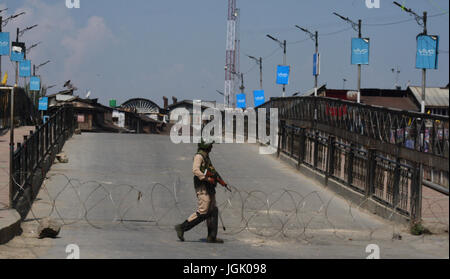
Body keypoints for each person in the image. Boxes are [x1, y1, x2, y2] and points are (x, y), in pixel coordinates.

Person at [174, 139, 228, 243]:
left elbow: (212, 171)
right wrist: (206, 178)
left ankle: (212, 236)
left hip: (209, 187)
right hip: (202, 187)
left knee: (213, 210)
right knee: (203, 211)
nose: (211, 147)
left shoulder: (206, 156)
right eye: (210, 145)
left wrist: (221, 182)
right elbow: (195, 170)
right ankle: (182, 227)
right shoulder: (199, 156)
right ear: (206, 146)